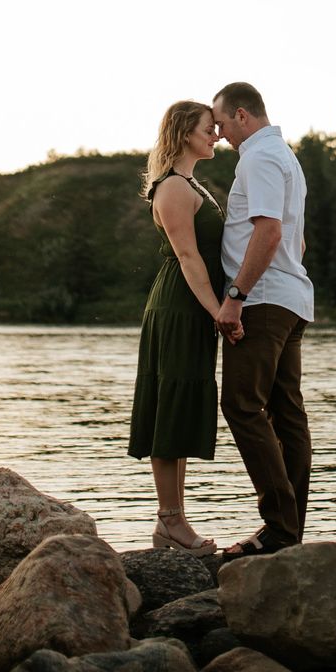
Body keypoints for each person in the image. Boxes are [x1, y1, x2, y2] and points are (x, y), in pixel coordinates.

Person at [128, 100, 240, 553]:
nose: (216, 135)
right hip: (179, 305)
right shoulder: (173, 188)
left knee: (182, 401)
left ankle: (172, 521)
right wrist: (219, 309)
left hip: (192, 305)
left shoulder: (192, 183)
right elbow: (189, 257)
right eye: (208, 128)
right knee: (170, 404)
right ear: (183, 133)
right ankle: (169, 520)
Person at [211, 82, 314, 558]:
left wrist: (235, 296)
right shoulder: (284, 156)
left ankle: (278, 526)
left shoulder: (258, 158)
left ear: (243, 115)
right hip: (288, 299)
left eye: (223, 122)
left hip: (264, 301)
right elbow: (298, 240)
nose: (220, 132)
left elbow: (269, 233)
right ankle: (288, 532)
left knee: (241, 405)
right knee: (286, 411)